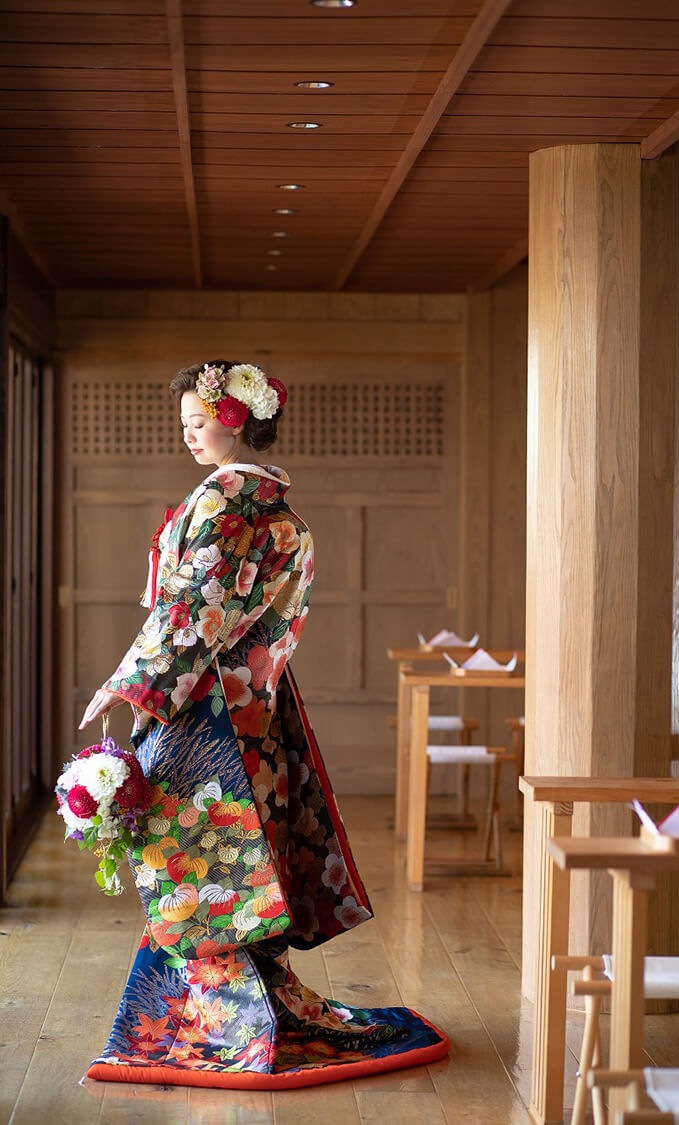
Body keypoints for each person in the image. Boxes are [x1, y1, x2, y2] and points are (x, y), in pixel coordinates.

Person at [78, 360, 448, 1089]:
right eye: (183, 420)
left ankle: (221, 1020)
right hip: (254, 707)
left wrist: (128, 684)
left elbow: (190, 611)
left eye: (199, 419)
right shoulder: (279, 509)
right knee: (249, 857)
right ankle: (249, 1000)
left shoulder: (228, 503)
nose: (189, 432)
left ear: (237, 419)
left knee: (204, 861)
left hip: (204, 712)